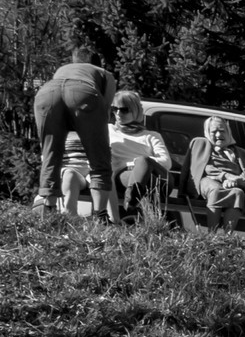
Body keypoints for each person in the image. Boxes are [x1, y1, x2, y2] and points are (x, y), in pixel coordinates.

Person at [32, 48, 119, 222]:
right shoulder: (104, 74)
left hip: (46, 93)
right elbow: (105, 108)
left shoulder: (61, 70)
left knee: (50, 154)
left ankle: (48, 209)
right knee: (99, 158)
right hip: (84, 94)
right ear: (97, 62)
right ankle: (100, 214)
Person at [107, 90, 172, 217]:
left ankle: (131, 202)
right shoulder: (108, 130)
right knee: (149, 182)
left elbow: (166, 162)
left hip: (159, 178)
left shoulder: (151, 136)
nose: (118, 113)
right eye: (114, 109)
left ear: (135, 111)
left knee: (144, 161)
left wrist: (138, 163)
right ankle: (151, 222)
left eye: (124, 109)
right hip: (124, 175)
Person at [192, 115, 245, 231]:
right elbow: (206, 168)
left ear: (228, 132)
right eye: (214, 132)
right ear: (207, 133)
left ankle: (227, 237)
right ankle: (211, 235)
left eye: (222, 131)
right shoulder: (204, 149)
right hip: (209, 180)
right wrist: (225, 177)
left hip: (233, 184)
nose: (218, 135)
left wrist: (235, 181)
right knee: (216, 190)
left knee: (238, 193)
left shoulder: (241, 153)